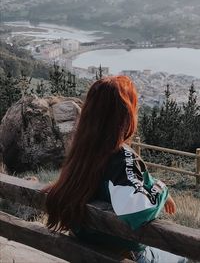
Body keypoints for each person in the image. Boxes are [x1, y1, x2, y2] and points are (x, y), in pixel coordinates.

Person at [44, 76, 187, 263]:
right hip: (122, 255)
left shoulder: (82, 154)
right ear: (125, 116)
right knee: (182, 258)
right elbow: (137, 211)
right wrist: (162, 189)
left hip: (84, 247)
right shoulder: (121, 158)